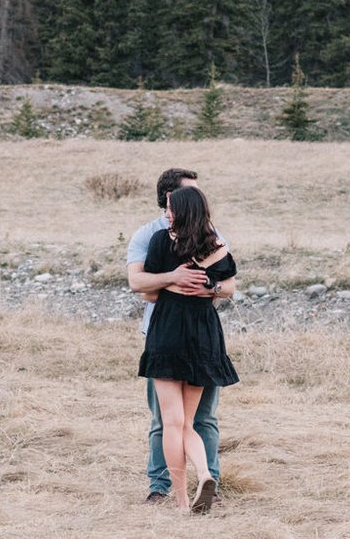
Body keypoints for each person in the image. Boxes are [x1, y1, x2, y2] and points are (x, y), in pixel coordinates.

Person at [127, 167, 234, 503]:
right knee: (177, 421)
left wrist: (207, 288)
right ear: (170, 197)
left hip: (173, 333)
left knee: (187, 420)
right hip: (191, 333)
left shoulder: (181, 238)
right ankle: (176, 484)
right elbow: (138, 283)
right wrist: (176, 278)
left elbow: (226, 285)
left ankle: (188, 493)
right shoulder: (151, 235)